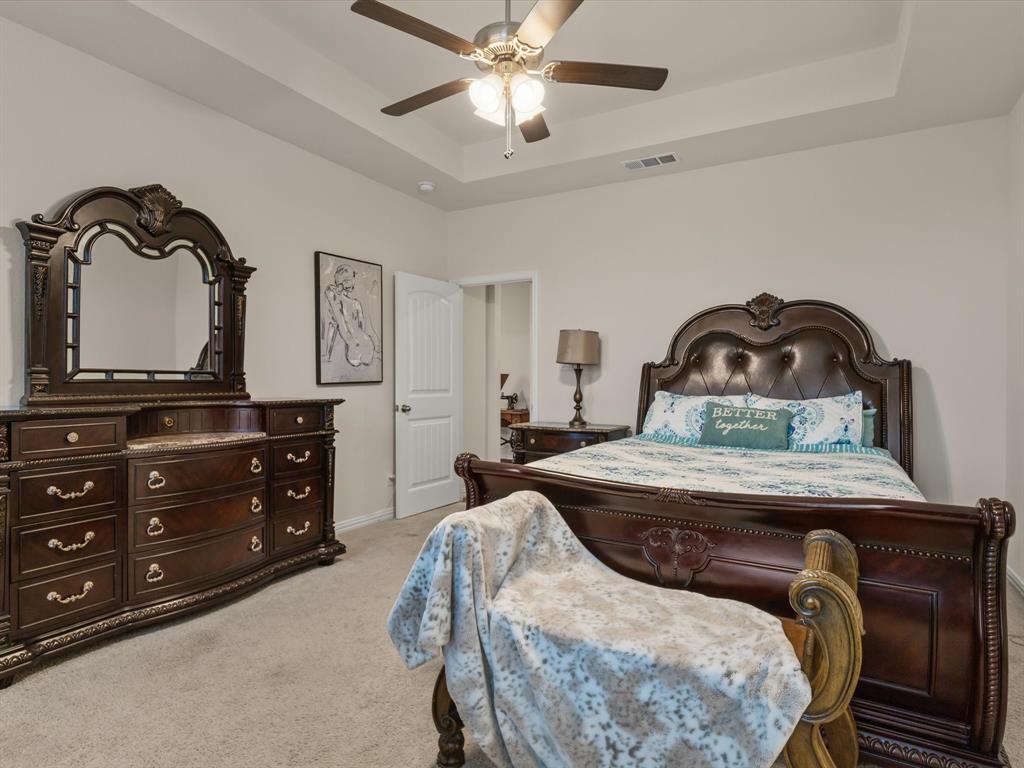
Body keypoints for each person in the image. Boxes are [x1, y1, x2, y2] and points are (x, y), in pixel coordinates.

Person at [323, 264, 380, 367]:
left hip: (355, 350)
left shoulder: (336, 298)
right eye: (352, 279)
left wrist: (327, 354)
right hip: (365, 346)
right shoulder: (355, 303)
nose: (354, 283)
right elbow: (361, 328)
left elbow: (334, 326)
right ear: (347, 281)